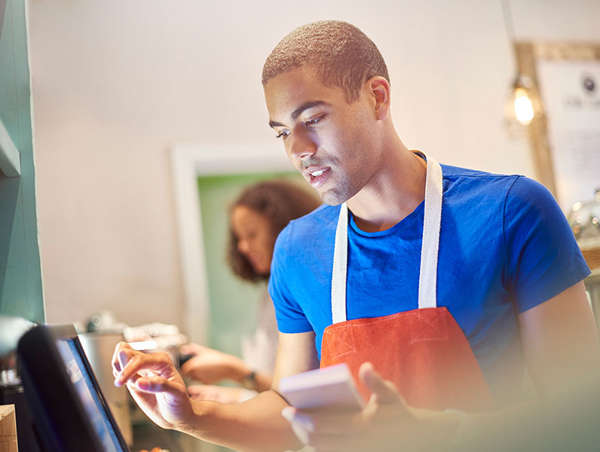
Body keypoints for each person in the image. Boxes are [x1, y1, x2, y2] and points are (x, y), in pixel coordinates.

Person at [113, 21, 599, 451]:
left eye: (313, 119)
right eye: (282, 132)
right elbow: (288, 415)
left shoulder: (512, 212)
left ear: (377, 97)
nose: (299, 150)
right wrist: (191, 416)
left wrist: (437, 436)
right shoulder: (298, 250)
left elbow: (581, 414)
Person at [180, 181, 320, 403]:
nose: (242, 247)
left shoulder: (309, 294)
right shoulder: (270, 294)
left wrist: (236, 372)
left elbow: (302, 395)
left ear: (283, 230)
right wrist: (232, 396)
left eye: (251, 235)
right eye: (239, 238)